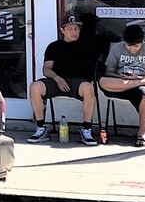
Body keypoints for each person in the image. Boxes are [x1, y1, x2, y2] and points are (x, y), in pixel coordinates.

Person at [27, 12, 100, 145]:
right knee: (35, 87)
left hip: (78, 82)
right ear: (62, 30)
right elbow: (46, 69)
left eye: (76, 28)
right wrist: (57, 79)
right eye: (70, 29)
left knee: (89, 88)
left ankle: (86, 130)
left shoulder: (88, 46)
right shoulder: (54, 47)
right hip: (57, 81)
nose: (74, 32)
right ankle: (40, 128)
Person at [100, 23, 145, 146]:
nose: (132, 49)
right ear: (124, 41)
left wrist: (139, 78)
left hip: (142, 85)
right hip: (121, 82)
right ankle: (137, 83)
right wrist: (120, 77)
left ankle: (142, 134)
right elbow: (109, 72)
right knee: (103, 81)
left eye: (136, 46)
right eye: (129, 45)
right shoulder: (117, 48)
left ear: (143, 41)